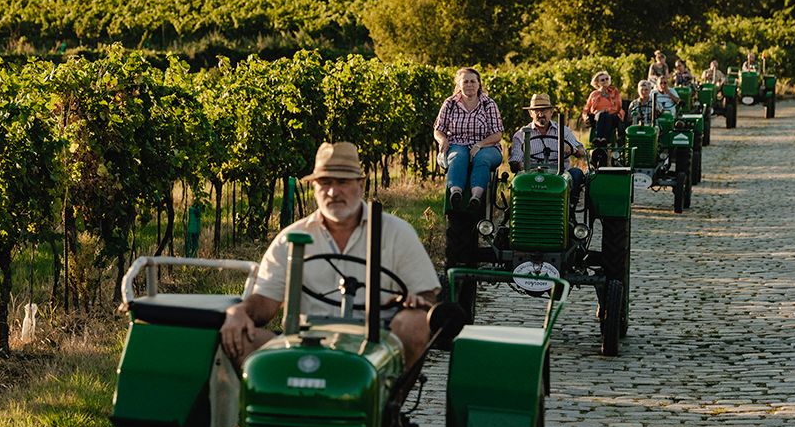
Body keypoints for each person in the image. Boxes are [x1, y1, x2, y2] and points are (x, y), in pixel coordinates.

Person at [220, 141, 440, 364]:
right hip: (304, 339)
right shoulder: (291, 237)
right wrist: (240, 311)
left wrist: (415, 302)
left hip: (377, 343)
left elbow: (426, 298)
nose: (334, 192)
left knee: (416, 323)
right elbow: (265, 302)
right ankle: (267, 398)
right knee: (238, 335)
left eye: (343, 182)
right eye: (325, 183)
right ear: (314, 187)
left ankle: (391, 397)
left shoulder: (397, 232)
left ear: (360, 185)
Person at [433, 66, 504, 209]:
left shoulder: (488, 104)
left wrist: (480, 145)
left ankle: (476, 197)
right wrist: (443, 140)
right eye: (465, 82)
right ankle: (456, 194)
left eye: (473, 81)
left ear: (479, 84)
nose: (469, 85)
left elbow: (497, 134)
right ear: (459, 84)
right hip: (457, 143)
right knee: (458, 156)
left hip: (487, 146)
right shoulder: (450, 103)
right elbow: (438, 130)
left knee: (482, 159)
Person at [509, 93, 588, 198]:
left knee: (576, 173)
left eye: (545, 110)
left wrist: (572, 150)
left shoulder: (563, 131)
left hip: (560, 173)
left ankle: (569, 209)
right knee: (519, 181)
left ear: (551, 112)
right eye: (537, 110)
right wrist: (519, 165)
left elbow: (581, 151)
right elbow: (514, 162)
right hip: (532, 173)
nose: (541, 114)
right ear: (530, 113)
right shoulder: (521, 134)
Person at [582, 70, 626, 144]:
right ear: (597, 83)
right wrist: (585, 117)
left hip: (614, 116)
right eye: (602, 80)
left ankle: (600, 138)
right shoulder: (594, 94)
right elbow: (586, 108)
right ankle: (603, 139)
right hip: (597, 117)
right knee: (602, 115)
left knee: (606, 115)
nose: (605, 81)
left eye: (607, 79)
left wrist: (607, 110)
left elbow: (618, 106)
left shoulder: (614, 91)